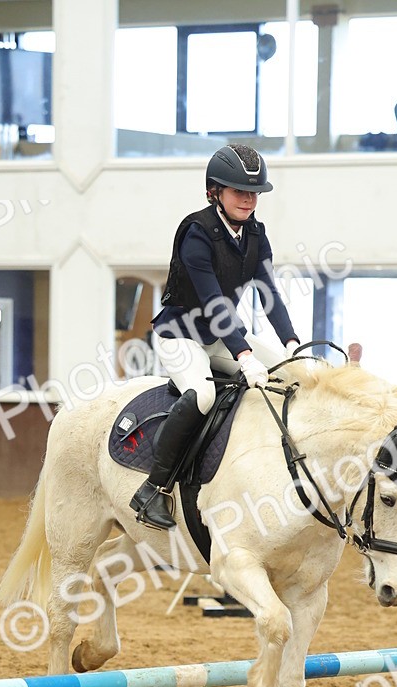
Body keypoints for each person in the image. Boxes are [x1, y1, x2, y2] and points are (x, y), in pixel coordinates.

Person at [130, 143, 302, 530]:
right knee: (203, 395)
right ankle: (153, 488)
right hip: (181, 336)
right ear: (215, 192)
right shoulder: (197, 233)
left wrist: (293, 346)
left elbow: (269, 293)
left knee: (290, 373)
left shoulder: (256, 234)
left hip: (222, 337)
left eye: (253, 192)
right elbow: (212, 302)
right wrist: (243, 355)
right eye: (238, 190)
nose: (247, 199)